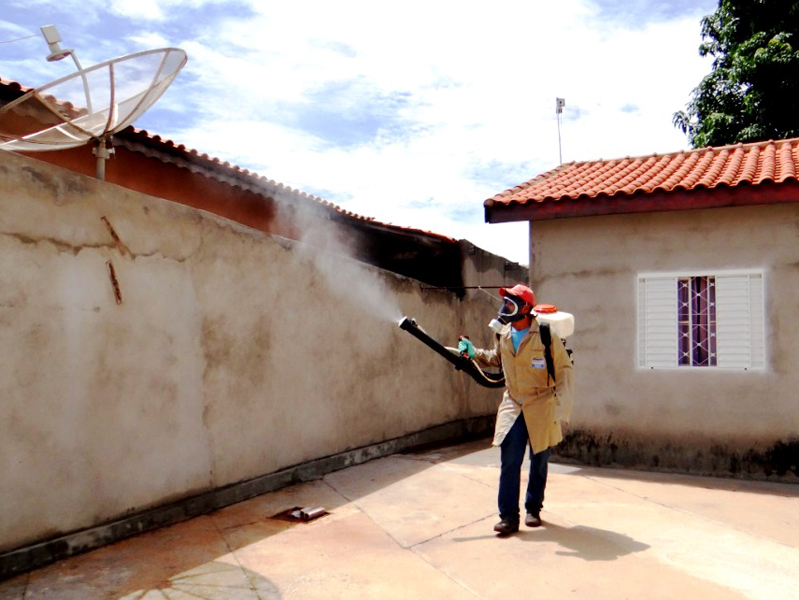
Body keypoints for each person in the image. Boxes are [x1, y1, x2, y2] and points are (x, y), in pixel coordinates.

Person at [462, 284, 574, 535]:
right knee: (509, 461)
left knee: (539, 460)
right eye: (504, 303)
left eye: (510, 304)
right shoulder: (503, 332)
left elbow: (565, 371)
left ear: (525, 308)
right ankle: (509, 517)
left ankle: (534, 508)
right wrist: (473, 353)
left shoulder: (545, 335)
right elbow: (496, 359)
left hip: (541, 403)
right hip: (513, 403)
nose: (504, 308)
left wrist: (561, 407)